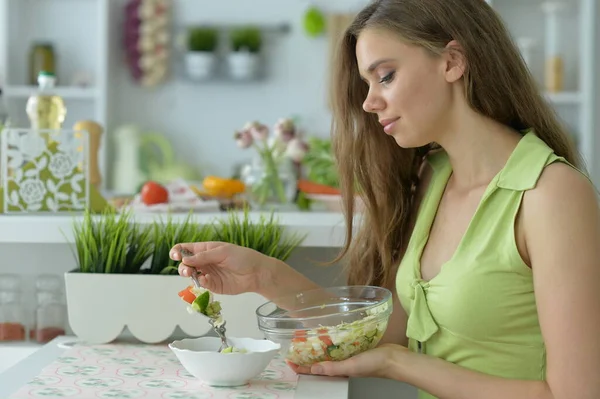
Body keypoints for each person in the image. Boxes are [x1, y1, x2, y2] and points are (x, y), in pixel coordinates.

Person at [170, 0, 600, 398]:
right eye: (366, 82)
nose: (370, 102)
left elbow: (575, 394)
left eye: (386, 75)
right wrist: (263, 276)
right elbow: (388, 330)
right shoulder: (434, 176)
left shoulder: (551, 195)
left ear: (452, 62)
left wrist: (399, 364)